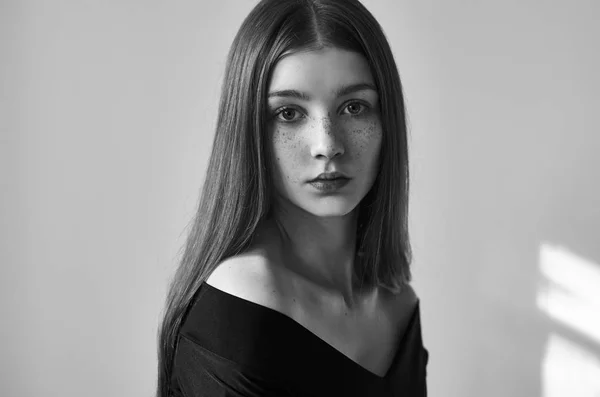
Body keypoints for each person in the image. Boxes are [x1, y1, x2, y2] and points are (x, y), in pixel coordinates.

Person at [156, 0, 428, 395]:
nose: (327, 145)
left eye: (354, 107)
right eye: (288, 113)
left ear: (387, 122)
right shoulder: (245, 300)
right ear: (250, 131)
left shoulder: (397, 304)